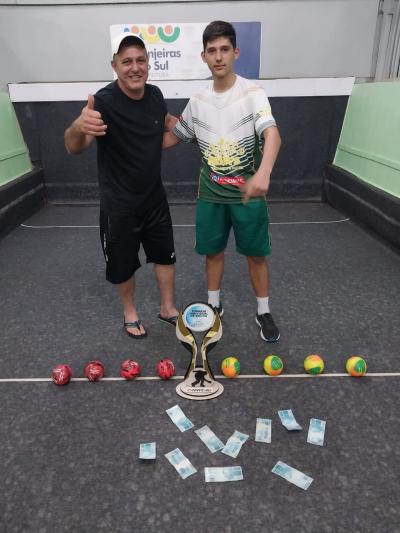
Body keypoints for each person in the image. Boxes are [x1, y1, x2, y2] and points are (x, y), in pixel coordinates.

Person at [163, 21, 281, 342]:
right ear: (203, 56)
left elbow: (272, 134)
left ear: (235, 52)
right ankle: (214, 307)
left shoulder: (252, 94)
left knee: (257, 255)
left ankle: (263, 311)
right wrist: (135, 130)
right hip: (211, 196)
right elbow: (175, 135)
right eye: (212, 51)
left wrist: (264, 172)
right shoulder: (198, 101)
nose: (218, 57)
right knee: (213, 253)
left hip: (248, 196)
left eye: (224, 50)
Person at [64, 33, 179, 339]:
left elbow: (164, 121)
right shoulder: (103, 102)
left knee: (165, 256)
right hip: (120, 205)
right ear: (114, 66)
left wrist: (188, 125)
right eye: (127, 61)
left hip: (155, 198)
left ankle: (168, 308)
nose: (134, 67)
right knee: (123, 265)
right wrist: (77, 126)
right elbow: (75, 147)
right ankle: (130, 312)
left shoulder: (155, 95)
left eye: (140, 60)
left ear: (149, 64)